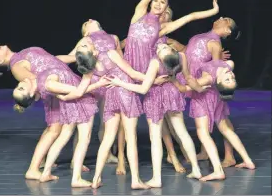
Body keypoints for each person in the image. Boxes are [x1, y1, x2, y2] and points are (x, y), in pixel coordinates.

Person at [57, 19, 174, 189]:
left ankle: (96, 178)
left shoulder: (90, 68)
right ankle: (135, 180)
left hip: (111, 94)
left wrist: (65, 97)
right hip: (124, 91)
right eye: (85, 44)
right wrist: (152, 80)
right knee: (130, 137)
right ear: (90, 45)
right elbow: (132, 72)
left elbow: (81, 89)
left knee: (108, 138)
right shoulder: (110, 53)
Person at [106, 42, 210, 187]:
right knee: (182, 132)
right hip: (172, 93)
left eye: (162, 49)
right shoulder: (181, 56)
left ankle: (157, 178)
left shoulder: (155, 62)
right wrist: (198, 88)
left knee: (156, 138)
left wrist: (120, 83)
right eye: (161, 48)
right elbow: (188, 77)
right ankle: (196, 169)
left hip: (155, 97)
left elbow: (143, 89)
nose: (160, 48)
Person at [0, 46, 91, 179]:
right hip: (55, 89)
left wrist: (77, 58)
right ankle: (33, 169)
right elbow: (40, 83)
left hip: (62, 80)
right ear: (0, 61)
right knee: (55, 129)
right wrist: (61, 91)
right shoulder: (16, 67)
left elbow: (54, 60)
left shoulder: (22, 53)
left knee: (58, 128)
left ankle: (43, 162)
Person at [175, 16, 255, 181]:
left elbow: (207, 76)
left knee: (205, 130)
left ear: (227, 30)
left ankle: (222, 164)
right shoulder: (205, 41)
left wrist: (181, 77)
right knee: (222, 125)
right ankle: (246, 160)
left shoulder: (215, 45)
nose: (220, 17)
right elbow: (195, 55)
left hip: (204, 91)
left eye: (225, 19)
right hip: (204, 86)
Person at [12, 67, 106, 187]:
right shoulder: (48, 84)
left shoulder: (38, 79)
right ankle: (76, 178)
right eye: (21, 89)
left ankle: (46, 172)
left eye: (17, 87)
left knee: (63, 136)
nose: (20, 84)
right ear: (31, 93)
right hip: (80, 100)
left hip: (69, 103)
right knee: (84, 138)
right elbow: (79, 91)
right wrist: (99, 83)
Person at [57, 23, 126, 174]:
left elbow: (121, 60)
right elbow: (71, 57)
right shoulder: (86, 40)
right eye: (86, 23)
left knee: (106, 120)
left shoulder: (113, 37)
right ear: (85, 32)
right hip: (93, 82)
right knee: (84, 122)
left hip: (109, 82)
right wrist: (52, 61)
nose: (89, 19)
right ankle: (76, 160)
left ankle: (107, 154)